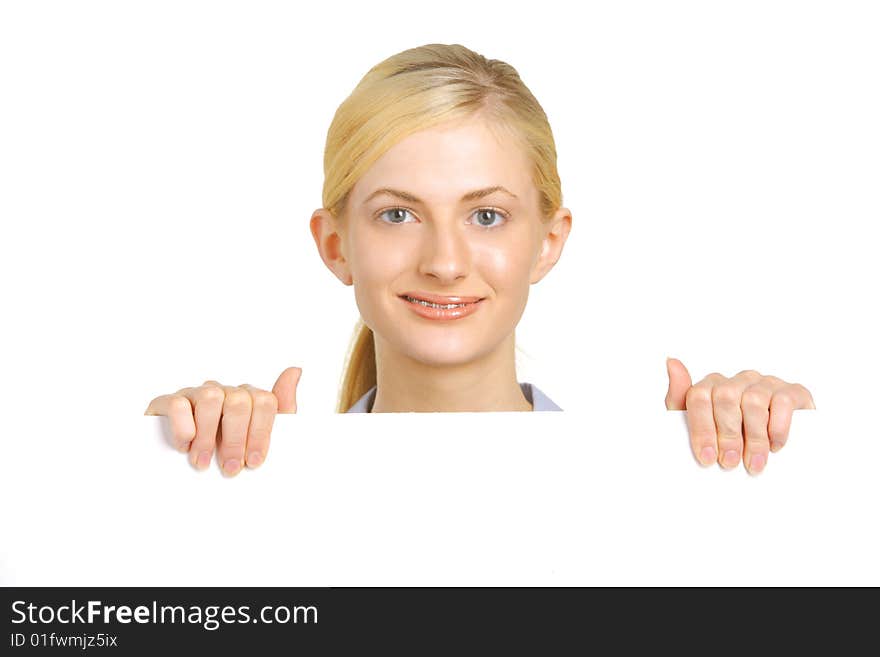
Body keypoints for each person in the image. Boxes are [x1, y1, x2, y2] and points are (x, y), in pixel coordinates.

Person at [144, 44, 815, 477]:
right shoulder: (252, 481)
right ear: (335, 244)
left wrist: (769, 464)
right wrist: (169, 477)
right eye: (397, 213)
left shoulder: (652, 481)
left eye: (486, 215)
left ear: (548, 241)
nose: (444, 261)